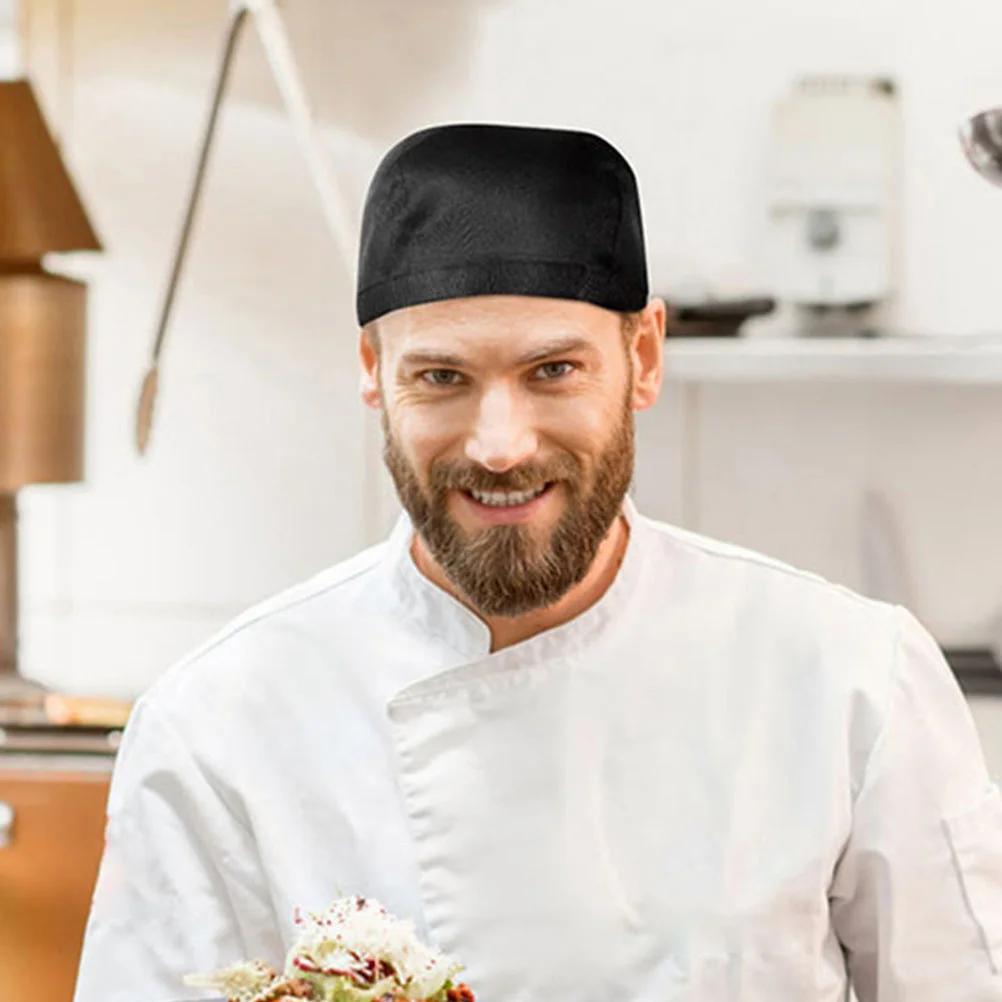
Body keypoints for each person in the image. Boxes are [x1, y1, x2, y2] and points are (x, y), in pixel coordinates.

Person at [75, 124, 1002, 1002]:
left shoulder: (851, 680)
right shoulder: (218, 726)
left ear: (643, 356)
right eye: (442, 377)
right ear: (371, 369)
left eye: (553, 370)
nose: (501, 444)